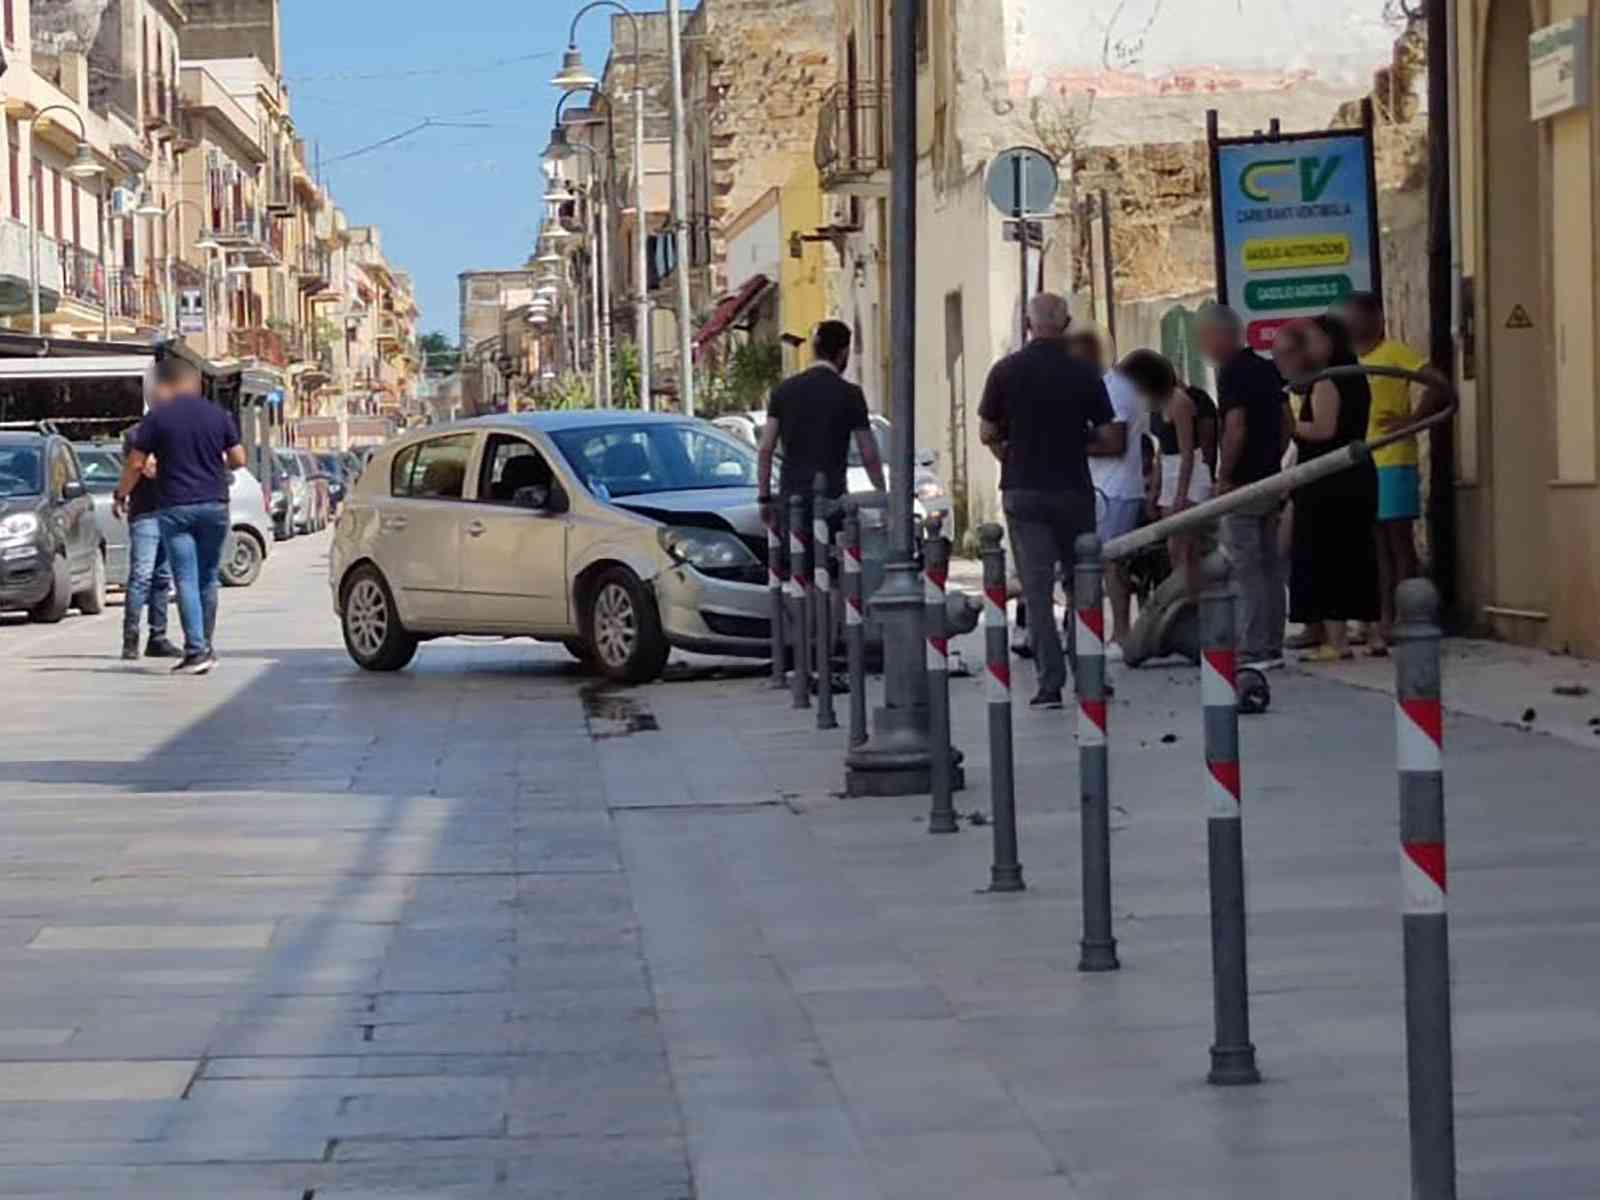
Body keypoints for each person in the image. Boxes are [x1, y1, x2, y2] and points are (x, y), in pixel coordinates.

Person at [979, 293, 1118, 709]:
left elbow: (987, 432)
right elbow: (1109, 434)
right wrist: (1075, 443)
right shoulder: (1084, 372)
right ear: (1067, 322)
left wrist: (1013, 454)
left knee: (1037, 592)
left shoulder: (1005, 371)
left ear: (1027, 323)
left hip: (1023, 490)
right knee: (1082, 587)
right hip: (1072, 489)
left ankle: (1049, 683)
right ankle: (1090, 675)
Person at [113, 357, 245, 676]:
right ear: (196, 383)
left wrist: (121, 494)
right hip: (214, 503)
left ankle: (196, 650)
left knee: (184, 578)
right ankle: (207, 646)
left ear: (167, 385)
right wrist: (211, 468)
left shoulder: (157, 420)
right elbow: (239, 459)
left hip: (176, 506)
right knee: (208, 577)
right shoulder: (219, 416)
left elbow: (134, 465)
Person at [1337, 291, 1450, 653]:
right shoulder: (1350, 360)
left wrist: (1412, 421)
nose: (1349, 324)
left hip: (1394, 460)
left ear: (1375, 319)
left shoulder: (1394, 353)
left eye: (1354, 317)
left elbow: (1438, 384)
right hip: (1362, 462)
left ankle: (1411, 617)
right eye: (1345, 319)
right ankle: (1382, 619)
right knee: (1375, 546)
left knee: (1398, 542)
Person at [1272, 316, 1379, 662]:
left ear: (1331, 342)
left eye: (1314, 340)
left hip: (1330, 478)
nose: (1310, 347)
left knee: (1330, 554)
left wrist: (1292, 427)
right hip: (1357, 473)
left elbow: (1324, 430)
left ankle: (1337, 641)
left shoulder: (1328, 380)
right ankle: (1373, 633)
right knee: (1360, 552)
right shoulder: (1357, 376)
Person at [1199, 300, 1289, 671]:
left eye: (1203, 337)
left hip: (1244, 483)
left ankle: (1253, 647)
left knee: (1245, 566)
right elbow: (1286, 421)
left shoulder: (1232, 372)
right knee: (1270, 564)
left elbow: (1235, 426)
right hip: (1270, 476)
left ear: (1220, 335)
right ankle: (1271, 643)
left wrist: (1225, 476)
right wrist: (1275, 461)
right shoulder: (1266, 368)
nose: (1203, 346)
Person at [1066, 329, 1145, 656]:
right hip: (1102, 489)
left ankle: (1122, 634)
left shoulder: (1115, 390)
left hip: (1116, 489)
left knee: (1113, 563)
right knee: (1100, 564)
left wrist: (1069, 444)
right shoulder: (1100, 388)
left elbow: (1114, 443)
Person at [1124, 349, 1211, 604]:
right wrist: (1156, 490)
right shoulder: (1155, 404)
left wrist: (1181, 495)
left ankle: (1192, 602)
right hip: (1170, 470)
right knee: (1173, 549)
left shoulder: (1179, 402)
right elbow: (1163, 448)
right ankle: (1182, 601)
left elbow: (1187, 453)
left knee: (1185, 548)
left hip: (1189, 473)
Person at [117, 409, 181, 662]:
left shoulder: (175, 433)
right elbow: (146, 467)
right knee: (141, 576)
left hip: (170, 511)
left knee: (162, 578)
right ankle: (130, 639)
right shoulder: (136, 435)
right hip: (146, 513)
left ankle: (158, 638)